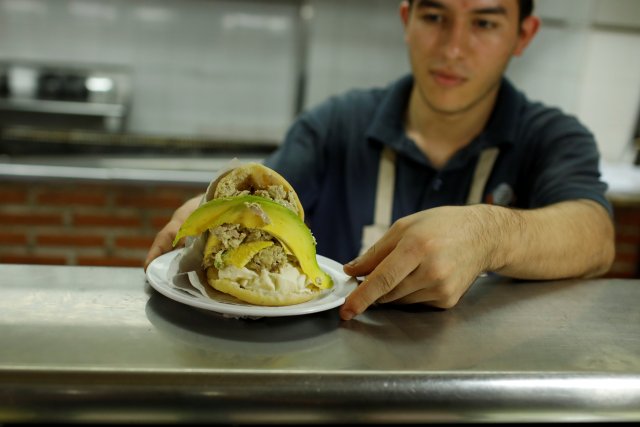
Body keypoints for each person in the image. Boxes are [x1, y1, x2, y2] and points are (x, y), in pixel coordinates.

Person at [145, 0, 615, 321]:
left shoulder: (552, 136)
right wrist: (211, 211)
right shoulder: (334, 124)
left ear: (523, 34)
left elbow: (595, 236)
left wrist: (489, 234)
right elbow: (263, 196)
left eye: (484, 23)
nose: (453, 48)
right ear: (407, 18)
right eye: (435, 16)